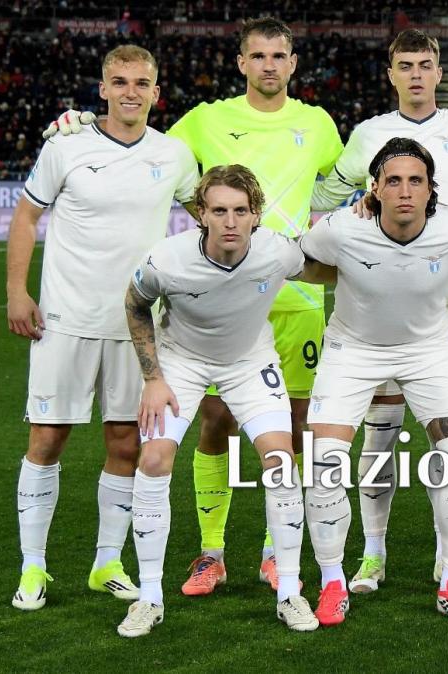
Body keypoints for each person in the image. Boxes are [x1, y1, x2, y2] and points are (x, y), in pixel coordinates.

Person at [44, 17, 344, 595]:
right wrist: (83, 124)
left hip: (297, 296)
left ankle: (273, 554)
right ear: (241, 63)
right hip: (216, 301)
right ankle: (212, 551)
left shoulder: (318, 123)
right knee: (216, 422)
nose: (269, 66)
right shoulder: (206, 120)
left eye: (279, 56)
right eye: (257, 56)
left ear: (293, 63)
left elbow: (339, 183)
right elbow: (141, 140)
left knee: (295, 429)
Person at [310, 29, 448, 594]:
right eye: (406, 65)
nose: (417, 74)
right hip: (373, 309)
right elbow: (330, 195)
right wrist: (351, 208)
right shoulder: (370, 132)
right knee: (381, 430)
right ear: (391, 72)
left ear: (438, 69)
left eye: (426, 64)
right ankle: (372, 553)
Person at [7, 45, 198, 612]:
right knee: (47, 439)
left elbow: (210, 211)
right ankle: (33, 567)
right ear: (103, 88)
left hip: (136, 326)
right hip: (62, 322)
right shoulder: (66, 145)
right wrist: (18, 291)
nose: (131, 91)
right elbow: (26, 216)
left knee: (124, 443)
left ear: (156, 93)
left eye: (142, 83)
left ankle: (106, 562)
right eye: (120, 82)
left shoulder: (175, 155)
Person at [119, 164, 323, 637]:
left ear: (256, 215)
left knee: (280, 459)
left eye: (239, 211)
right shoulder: (167, 259)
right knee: (153, 458)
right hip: (181, 362)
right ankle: (149, 598)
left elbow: (325, 265)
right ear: (200, 215)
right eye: (218, 211)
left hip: (249, 362)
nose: (229, 221)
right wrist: (152, 377)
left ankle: (290, 590)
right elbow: (134, 303)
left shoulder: (277, 252)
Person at [298, 138, 448, 626]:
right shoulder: (342, 229)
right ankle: (332, 582)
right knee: (324, 465)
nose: (405, 190)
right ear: (374, 188)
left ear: (431, 190)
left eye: (415, 181)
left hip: (428, 352)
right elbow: (306, 261)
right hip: (352, 351)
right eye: (393, 181)